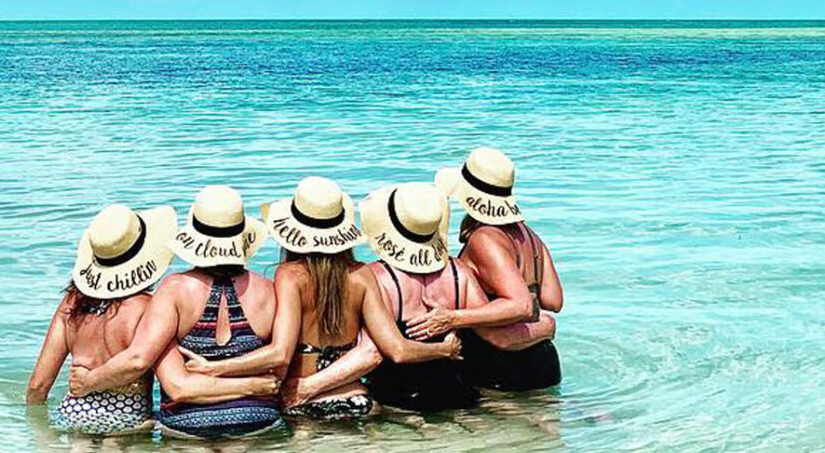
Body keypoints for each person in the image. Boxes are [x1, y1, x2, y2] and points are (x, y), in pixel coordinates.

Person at [71, 185, 285, 439]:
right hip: (258, 423)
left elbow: (155, 372)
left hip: (188, 429)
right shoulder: (268, 290)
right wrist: (251, 386)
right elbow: (276, 378)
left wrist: (90, 381)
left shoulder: (174, 290)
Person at [183, 176, 382, 421]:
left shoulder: (290, 276)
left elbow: (280, 354)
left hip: (303, 401)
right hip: (358, 398)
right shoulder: (362, 274)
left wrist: (216, 368)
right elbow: (375, 350)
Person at [359, 181, 548, 411]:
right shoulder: (459, 272)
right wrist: (545, 325)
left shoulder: (375, 277)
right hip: (458, 393)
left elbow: (374, 352)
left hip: (401, 399)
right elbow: (493, 333)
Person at [26, 203, 175, 435]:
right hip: (128, 417)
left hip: (73, 412)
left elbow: (38, 385)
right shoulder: (147, 307)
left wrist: (35, 428)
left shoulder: (72, 302)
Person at [431, 147, 564, 392]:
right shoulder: (528, 235)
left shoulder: (484, 239)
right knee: (544, 424)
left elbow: (520, 304)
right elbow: (553, 300)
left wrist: (452, 318)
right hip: (543, 358)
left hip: (500, 362)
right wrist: (543, 324)